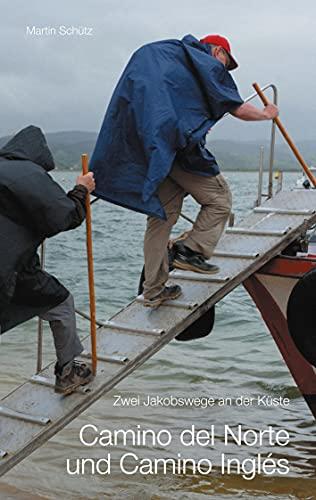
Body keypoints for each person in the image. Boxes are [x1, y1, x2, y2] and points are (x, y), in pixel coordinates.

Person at [90, 33, 279, 308]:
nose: (225, 69)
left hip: (154, 150)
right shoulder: (206, 65)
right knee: (220, 199)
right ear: (218, 52)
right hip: (178, 149)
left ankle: (153, 289)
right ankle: (190, 250)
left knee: (161, 218)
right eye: (227, 61)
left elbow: (169, 102)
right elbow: (236, 107)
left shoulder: (170, 58)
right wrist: (266, 114)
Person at [0, 125, 96, 394]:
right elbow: (64, 216)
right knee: (62, 303)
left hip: (12, 262)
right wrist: (81, 189)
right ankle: (68, 372)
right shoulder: (28, 173)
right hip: (10, 268)